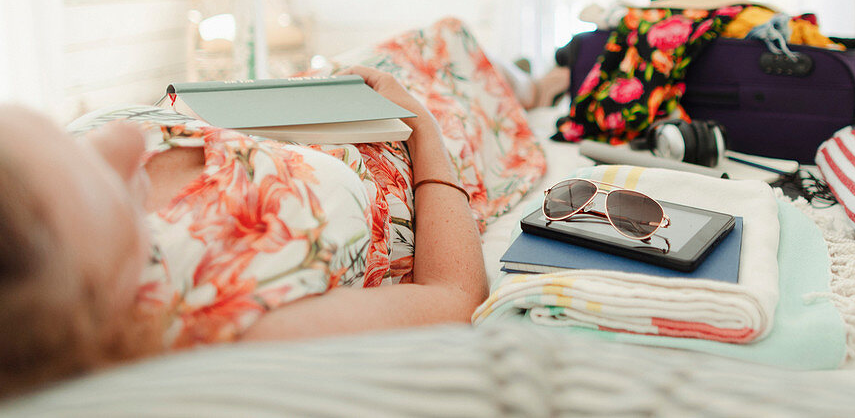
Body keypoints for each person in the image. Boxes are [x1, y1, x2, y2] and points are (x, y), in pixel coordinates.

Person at [0, 65, 490, 400]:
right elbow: (454, 296)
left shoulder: (34, 198)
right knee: (476, 70)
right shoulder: (227, 319)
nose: (124, 139)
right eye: (100, 177)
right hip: (427, 151)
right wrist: (423, 126)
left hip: (321, 103)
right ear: (94, 294)